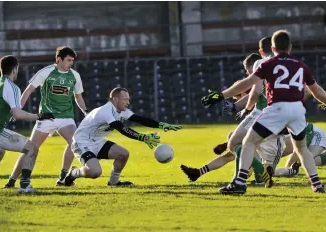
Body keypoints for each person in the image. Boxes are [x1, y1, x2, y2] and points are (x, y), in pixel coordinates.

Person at [202, 29, 326, 194]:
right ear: (290, 47)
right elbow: (318, 93)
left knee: (248, 142)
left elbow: (247, 83)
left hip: (277, 108)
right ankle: (317, 185)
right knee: (302, 148)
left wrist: (221, 95)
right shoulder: (301, 66)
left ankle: (239, 183)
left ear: (273, 48)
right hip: (297, 110)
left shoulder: (269, 63)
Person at [181, 53, 286, 186]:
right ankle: (202, 173)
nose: (248, 75)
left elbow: (253, 94)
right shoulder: (280, 72)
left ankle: (257, 175)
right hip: (276, 124)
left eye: (248, 71)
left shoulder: (259, 72)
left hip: (270, 131)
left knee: (236, 145)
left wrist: (240, 107)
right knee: (235, 146)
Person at [4, 46, 88, 188]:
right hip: (46, 117)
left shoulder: (75, 75)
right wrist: (17, 109)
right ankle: (11, 180)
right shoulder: (46, 72)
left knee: (75, 142)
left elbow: (78, 96)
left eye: (72, 61)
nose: (71, 63)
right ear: (58, 59)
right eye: (68, 60)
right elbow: (28, 90)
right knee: (30, 148)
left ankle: (63, 177)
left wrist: (85, 111)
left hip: (66, 117)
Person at [63, 87, 182, 186]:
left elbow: (141, 119)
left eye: (128, 99)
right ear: (115, 99)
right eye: (125, 99)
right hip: (82, 142)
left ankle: (113, 183)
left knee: (123, 154)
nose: (128, 102)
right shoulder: (106, 111)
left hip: (97, 142)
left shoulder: (122, 111)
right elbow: (121, 128)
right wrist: (143, 137)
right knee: (95, 172)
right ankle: (74, 173)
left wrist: (161, 125)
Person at [0, 55, 54, 193]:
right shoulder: (11, 86)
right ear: (15, 69)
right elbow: (18, 114)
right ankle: (24, 186)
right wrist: (39, 116)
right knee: (32, 148)